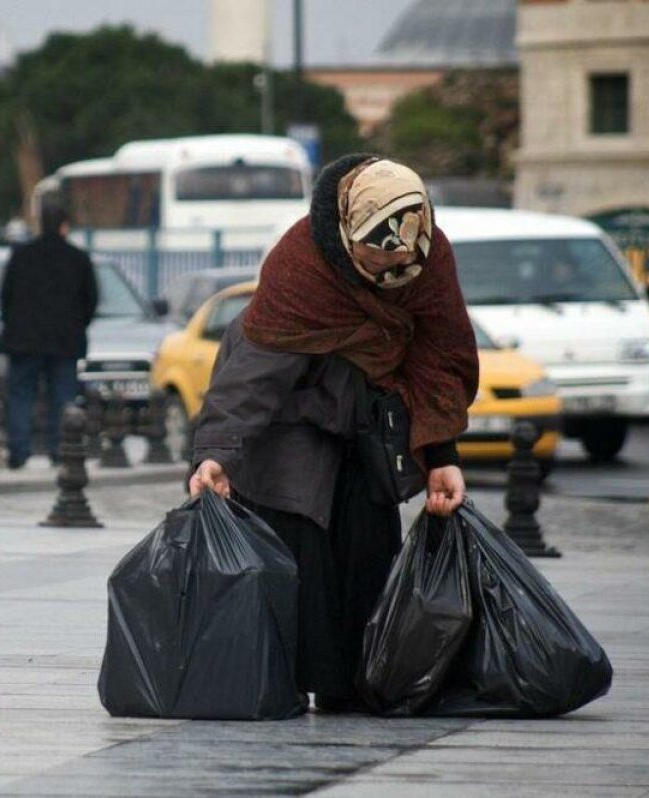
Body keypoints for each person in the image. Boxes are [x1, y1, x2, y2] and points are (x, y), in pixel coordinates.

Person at [188, 154, 479, 712]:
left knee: (369, 547)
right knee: (302, 555)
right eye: (373, 256)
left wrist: (443, 453)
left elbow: (439, 356)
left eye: (400, 260)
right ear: (348, 233)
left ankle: (355, 684)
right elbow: (252, 373)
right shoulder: (302, 266)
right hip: (287, 428)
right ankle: (288, 683)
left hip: (365, 428)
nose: (387, 273)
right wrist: (217, 453)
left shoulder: (432, 258)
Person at [0, 203, 98, 469]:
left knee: (21, 397)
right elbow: (91, 301)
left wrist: (15, 325)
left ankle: (18, 453)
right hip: (64, 341)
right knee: (63, 397)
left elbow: (5, 296)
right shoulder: (78, 259)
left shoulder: (21, 256)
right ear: (64, 226)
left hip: (23, 341)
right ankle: (61, 451)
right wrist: (76, 326)